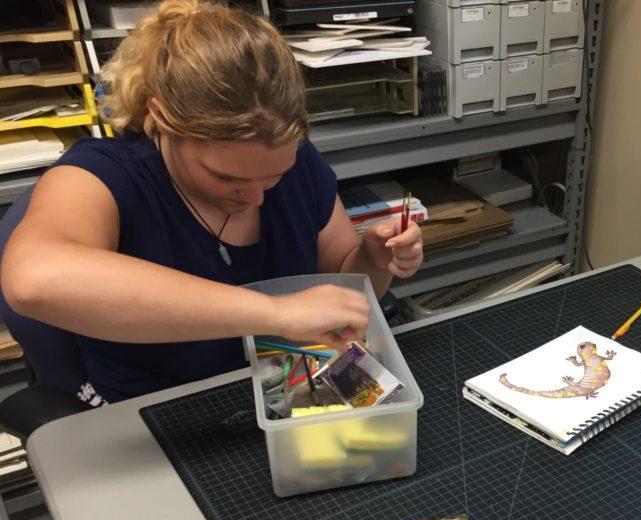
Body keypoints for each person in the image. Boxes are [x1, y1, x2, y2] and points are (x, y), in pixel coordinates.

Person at [1, 0, 423, 405]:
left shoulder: (298, 162)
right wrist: (275, 313)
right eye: (226, 177)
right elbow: (34, 279)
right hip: (154, 409)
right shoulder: (104, 175)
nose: (256, 196)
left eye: (273, 176)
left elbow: (345, 291)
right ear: (162, 118)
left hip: (278, 383)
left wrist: (372, 261)